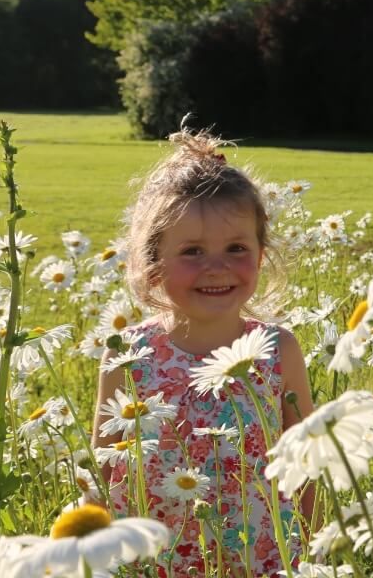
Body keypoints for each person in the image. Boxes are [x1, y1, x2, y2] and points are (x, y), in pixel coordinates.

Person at [93, 130, 313, 577]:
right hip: (157, 563)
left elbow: (308, 466)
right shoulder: (129, 357)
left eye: (236, 249)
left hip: (263, 562)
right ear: (153, 262)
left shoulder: (278, 350)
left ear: (261, 254)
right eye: (193, 251)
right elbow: (101, 475)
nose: (217, 266)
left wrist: (314, 556)